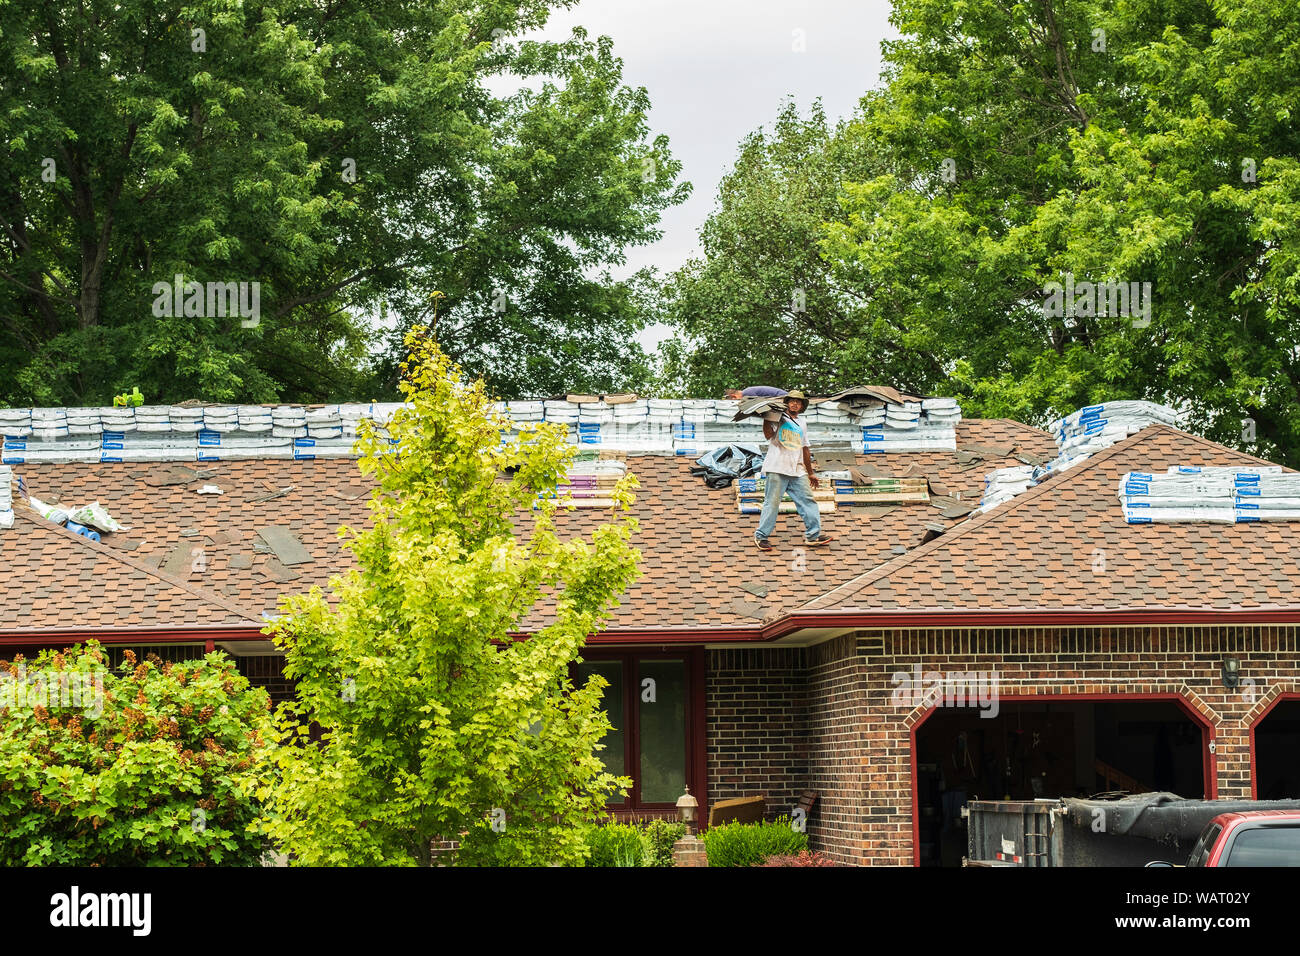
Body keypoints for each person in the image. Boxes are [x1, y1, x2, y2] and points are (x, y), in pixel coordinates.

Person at [754, 390, 835, 550]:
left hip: (797, 470)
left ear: (801, 406)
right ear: (787, 403)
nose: (795, 404)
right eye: (792, 401)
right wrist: (766, 417)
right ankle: (761, 536)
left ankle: (813, 536)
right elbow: (768, 434)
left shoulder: (802, 423)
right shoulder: (778, 417)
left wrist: (810, 472)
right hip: (777, 466)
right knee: (772, 503)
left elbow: (805, 448)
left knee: (807, 501)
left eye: (798, 402)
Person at [724, 385, 788, 400]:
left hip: (782, 396)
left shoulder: (747, 393)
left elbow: (757, 404)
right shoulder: (747, 391)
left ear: (733, 396)